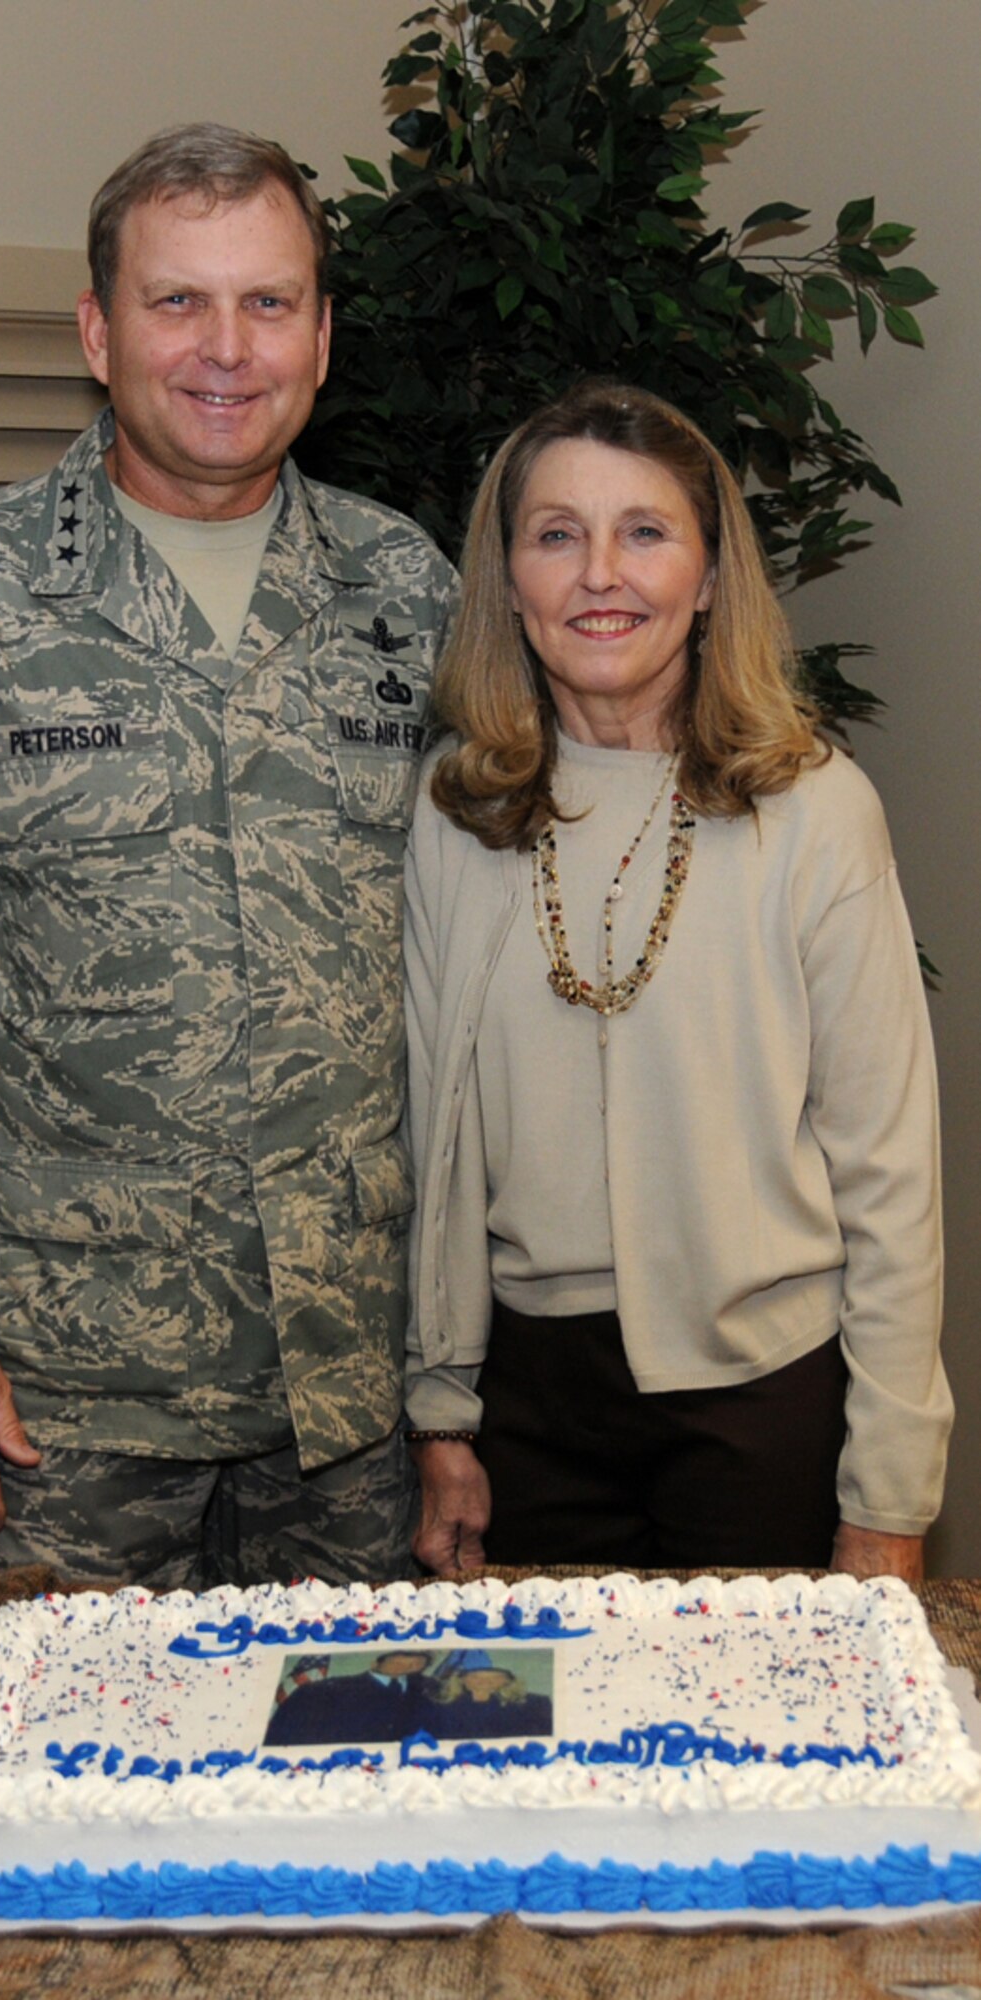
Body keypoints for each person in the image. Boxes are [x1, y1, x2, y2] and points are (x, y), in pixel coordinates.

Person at [0, 124, 455, 1590]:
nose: (225, 348)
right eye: (176, 301)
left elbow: (494, 980)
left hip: (346, 1410)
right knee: (3, 1806)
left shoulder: (407, 589)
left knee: (347, 1809)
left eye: (267, 302)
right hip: (46, 1416)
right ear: (96, 329)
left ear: (322, 338)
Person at [402, 379, 949, 1585]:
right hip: (529, 1408)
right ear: (508, 580)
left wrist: (891, 1493)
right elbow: (436, 1141)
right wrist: (442, 1412)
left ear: (707, 578)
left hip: (764, 1408)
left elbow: (890, 1176)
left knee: (763, 1771)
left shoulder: (815, 811)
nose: (601, 573)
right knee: (548, 1768)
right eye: (558, 535)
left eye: (644, 532)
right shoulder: (458, 813)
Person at [263, 1650, 436, 1745]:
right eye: (402, 1658)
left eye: (416, 1663)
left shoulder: (432, 1694)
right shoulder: (322, 1691)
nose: (407, 1665)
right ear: (376, 1662)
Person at [429, 1656, 553, 1740]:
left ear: (509, 1679)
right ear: (460, 1679)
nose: (485, 1682)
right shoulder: (439, 1706)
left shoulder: (535, 1705)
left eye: (495, 1677)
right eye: (475, 1677)